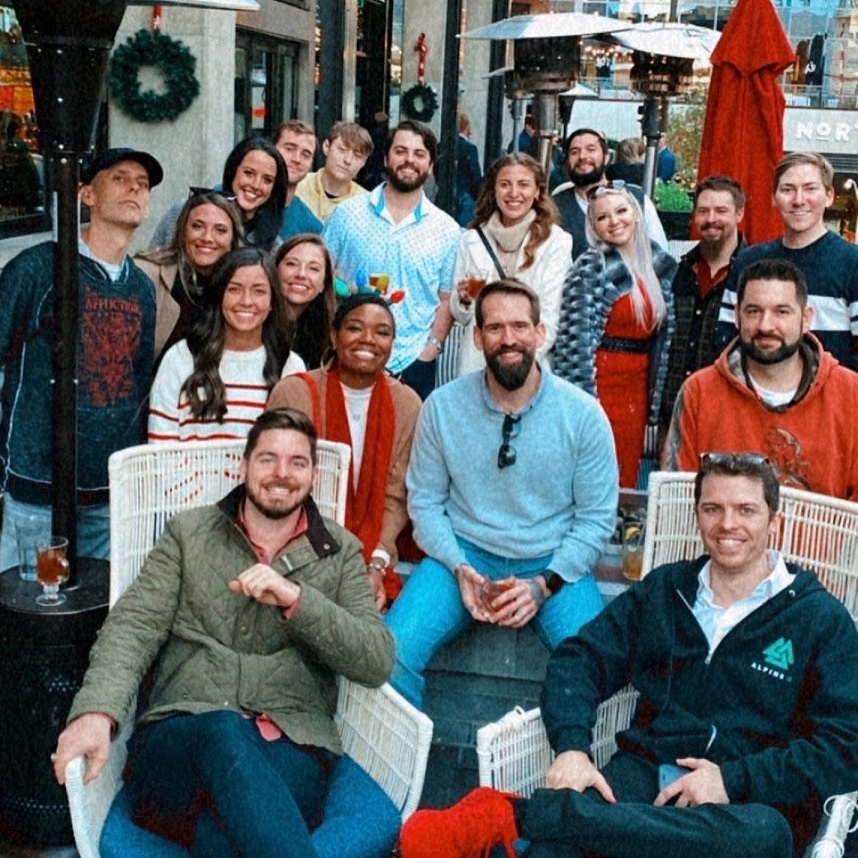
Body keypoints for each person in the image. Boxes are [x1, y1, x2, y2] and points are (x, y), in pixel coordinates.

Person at [399, 453, 858, 858]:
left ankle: (521, 815)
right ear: (697, 516)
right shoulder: (667, 590)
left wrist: (732, 780)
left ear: (774, 521)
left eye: (746, 510)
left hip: (745, 802)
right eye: (712, 509)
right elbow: (580, 658)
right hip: (646, 772)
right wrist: (573, 746)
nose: (727, 525)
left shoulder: (817, 618)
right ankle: (565, 825)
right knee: (553, 851)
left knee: (762, 837)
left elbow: (846, 743)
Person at [52, 408, 395, 858]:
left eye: (297, 462)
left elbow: (375, 659)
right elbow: (134, 625)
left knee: (226, 837)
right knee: (223, 730)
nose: (282, 473)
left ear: (313, 475)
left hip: (290, 746)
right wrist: (97, 711)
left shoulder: (341, 552)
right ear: (244, 466)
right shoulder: (189, 533)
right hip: (181, 742)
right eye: (268, 459)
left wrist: (296, 599)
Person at [385, 280, 618, 709]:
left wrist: (544, 585)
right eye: (494, 328)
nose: (508, 338)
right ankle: (399, 753)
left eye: (519, 326)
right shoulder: (442, 406)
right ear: (477, 337)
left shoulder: (583, 415)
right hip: (464, 554)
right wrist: (457, 565)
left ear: (540, 332)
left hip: (552, 561)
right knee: (391, 653)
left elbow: (596, 520)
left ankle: (565, 753)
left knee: (598, 670)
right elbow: (425, 502)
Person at [0, 147, 162, 569]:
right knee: (40, 596)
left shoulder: (142, 289)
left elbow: (138, 385)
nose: (134, 189)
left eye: (142, 184)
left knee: (99, 601)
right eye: (120, 179)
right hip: (39, 495)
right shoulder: (39, 269)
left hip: (107, 495)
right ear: (86, 194)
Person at [267, 293, 422, 609]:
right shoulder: (294, 392)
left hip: (374, 558)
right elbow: (275, 481)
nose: (368, 339)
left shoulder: (407, 404)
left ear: (393, 344)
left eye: (382, 332)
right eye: (354, 328)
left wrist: (375, 565)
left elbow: (397, 496)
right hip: (296, 551)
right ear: (334, 337)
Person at [663, 258, 858, 501]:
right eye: (754, 311)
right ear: (737, 316)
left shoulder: (851, 394)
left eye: (781, 312)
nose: (766, 325)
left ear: (806, 319)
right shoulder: (699, 392)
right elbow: (676, 499)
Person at [323, 120, 461, 401]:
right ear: (386, 159)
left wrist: (430, 350)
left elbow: (446, 298)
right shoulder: (347, 215)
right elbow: (322, 277)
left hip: (412, 363)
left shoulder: (446, 230)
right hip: (349, 353)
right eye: (400, 151)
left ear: (430, 165)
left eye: (419, 154)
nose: (409, 160)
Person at [553, 185, 676, 489]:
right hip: (601, 383)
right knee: (593, 470)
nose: (614, 221)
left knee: (627, 470)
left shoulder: (660, 264)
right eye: (602, 217)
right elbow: (573, 345)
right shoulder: (590, 267)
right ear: (593, 227)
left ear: (636, 214)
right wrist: (582, 403)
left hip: (639, 385)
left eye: (621, 211)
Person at [717, 151, 858, 372]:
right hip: (755, 390)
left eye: (810, 188)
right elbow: (727, 344)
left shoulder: (853, 263)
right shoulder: (748, 261)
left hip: (831, 392)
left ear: (829, 196)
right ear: (774, 198)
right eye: (787, 189)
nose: (798, 200)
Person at [148, 247, 304, 443]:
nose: (246, 301)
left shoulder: (290, 366)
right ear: (219, 295)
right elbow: (161, 445)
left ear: (273, 300)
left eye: (259, 291)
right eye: (234, 289)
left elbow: (294, 445)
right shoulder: (181, 357)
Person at [450, 152, 571, 376]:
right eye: (505, 184)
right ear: (494, 190)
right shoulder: (472, 239)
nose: (514, 193)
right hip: (477, 366)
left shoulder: (556, 242)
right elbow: (461, 316)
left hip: (528, 367)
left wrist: (515, 363)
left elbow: (550, 317)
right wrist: (465, 299)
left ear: (537, 191)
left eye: (523, 184)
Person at [657, 175, 746, 448]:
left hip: (729, 415)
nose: (711, 219)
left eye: (721, 211)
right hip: (674, 410)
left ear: (739, 214)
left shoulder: (751, 273)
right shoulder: (677, 270)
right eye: (703, 211)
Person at [135, 189, 244, 359]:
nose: (207, 238)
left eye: (220, 230)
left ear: (233, 240)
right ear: (183, 231)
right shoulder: (145, 274)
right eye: (198, 226)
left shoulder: (240, 289)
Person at [150, 137, 288, 252]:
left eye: (267, 180)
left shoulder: (273, 247)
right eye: (249, 173)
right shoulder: (182, 212)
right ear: (232, 171)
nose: (256, 185)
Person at [552, 128, 667, 260]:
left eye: (591, 149)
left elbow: (662, 258)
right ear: (567, 161)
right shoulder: (553, 208)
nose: (582, 156)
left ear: (606, 157)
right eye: (574, 152)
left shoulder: (636, 199)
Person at [274, 233, 337, 369]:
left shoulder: (324, 335)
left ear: (323, 283)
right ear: (275, 270)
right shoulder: (257, 325)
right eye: (292, 264)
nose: (301, 274)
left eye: (313, 268)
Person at [295, 121, 372, 223]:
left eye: (357, 156)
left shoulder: (366, 205)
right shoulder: (298, 186)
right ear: (327, 147)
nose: (348, 160)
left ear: (364, 162)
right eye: (342, 150)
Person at [272, 119, 324, 240]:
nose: (297, 159)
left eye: (306, 154)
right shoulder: (244, 201)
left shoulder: (312, 229)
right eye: (289, 149)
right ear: (272, 149)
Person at [454, 112, 482, 228]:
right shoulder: (470, 148)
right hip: (466, 195)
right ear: (467, 126)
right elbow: (475, 175)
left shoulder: (441, 146)